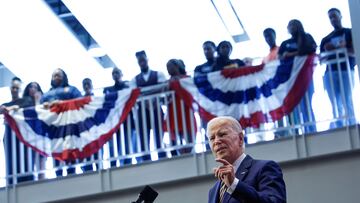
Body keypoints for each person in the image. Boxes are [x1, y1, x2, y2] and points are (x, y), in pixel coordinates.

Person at [207, 116, 286, 203]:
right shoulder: (213, 191)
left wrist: (234, 184)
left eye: (222, 134)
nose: (216, 141)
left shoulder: (265, 168)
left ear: (240, 138)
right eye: (212, 138)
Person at [278, 19, 317, 134]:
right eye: (290, 25)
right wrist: (295, 53)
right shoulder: (285, 43)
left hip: (305, 77)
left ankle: (310, 130)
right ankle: (296, 131)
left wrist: (290, 54)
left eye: (294, 25)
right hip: (291, 80)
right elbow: (280, 57)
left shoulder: (307, 38)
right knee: (293, 105)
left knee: (307, 104)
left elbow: (310, 50)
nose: (292, 27)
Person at [40, 68, 82, 176]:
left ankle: (71, 172)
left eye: (59, 75)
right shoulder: (46, 95)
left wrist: (63, 103)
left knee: (70, 150)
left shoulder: (72, 90)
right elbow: (41, 110)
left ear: (64, 77)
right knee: (56, 150)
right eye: (54, 75)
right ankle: (58, 174)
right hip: (54, 128)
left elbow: (80, 102)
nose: (56, 77)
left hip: (69, 127)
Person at [320, 8, 356, 128]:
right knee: (334, 102)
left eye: (334, 16)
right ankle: (339, 125)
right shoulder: (325, 39)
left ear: (340, 16)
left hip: (346, 70)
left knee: (347, 99)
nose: (333, 19)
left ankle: (352, 124)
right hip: (330, 72)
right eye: (330, 17)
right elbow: (321, 60)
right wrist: (327, 50)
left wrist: (340, 49)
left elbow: (355, 51)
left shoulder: (350, 33)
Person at [130, 50, 167, 161]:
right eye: (139, 60)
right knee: (143, 136)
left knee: (159, 135)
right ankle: (146, 159)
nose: (142, 62)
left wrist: (142, 92)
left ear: (147, 59)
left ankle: (162, 157)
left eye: (143, 59)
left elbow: (162, 87)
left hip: (156, 108)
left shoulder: (158, 74)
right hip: (142, 111)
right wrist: (153, 91)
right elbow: (134, 94)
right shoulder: (134, 79)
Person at [1, 77, 34, 184]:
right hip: (10, 136)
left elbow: (27, 106)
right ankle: (11, 181)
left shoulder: (26, 100)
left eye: (17, 88)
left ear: (20, 89)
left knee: (25, 161)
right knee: (11, 161)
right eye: (13, 88)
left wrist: (11, 108)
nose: (14, 90)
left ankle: (27, 181)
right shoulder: (6, 104)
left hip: (23, 136)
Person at [103, 68, 133, 166]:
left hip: (126, 119)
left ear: (122, 74)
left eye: (117, 73)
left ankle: (127, 162)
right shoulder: (108, 90)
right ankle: (113, 163)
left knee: (127, 142)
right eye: (113, 73)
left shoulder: (127, 86)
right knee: (115, 143)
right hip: (114, 120)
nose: (115, 75)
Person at [166, 59, 196, 155]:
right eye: (167, 67)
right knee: (174, 136)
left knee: (189, 135)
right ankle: (179, 154)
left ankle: (189, 153)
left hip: (186, 111)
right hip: (173, 112)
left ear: (177, 66)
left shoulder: (187, 78)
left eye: (171, 66)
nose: (169, 69)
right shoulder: (167, 82)